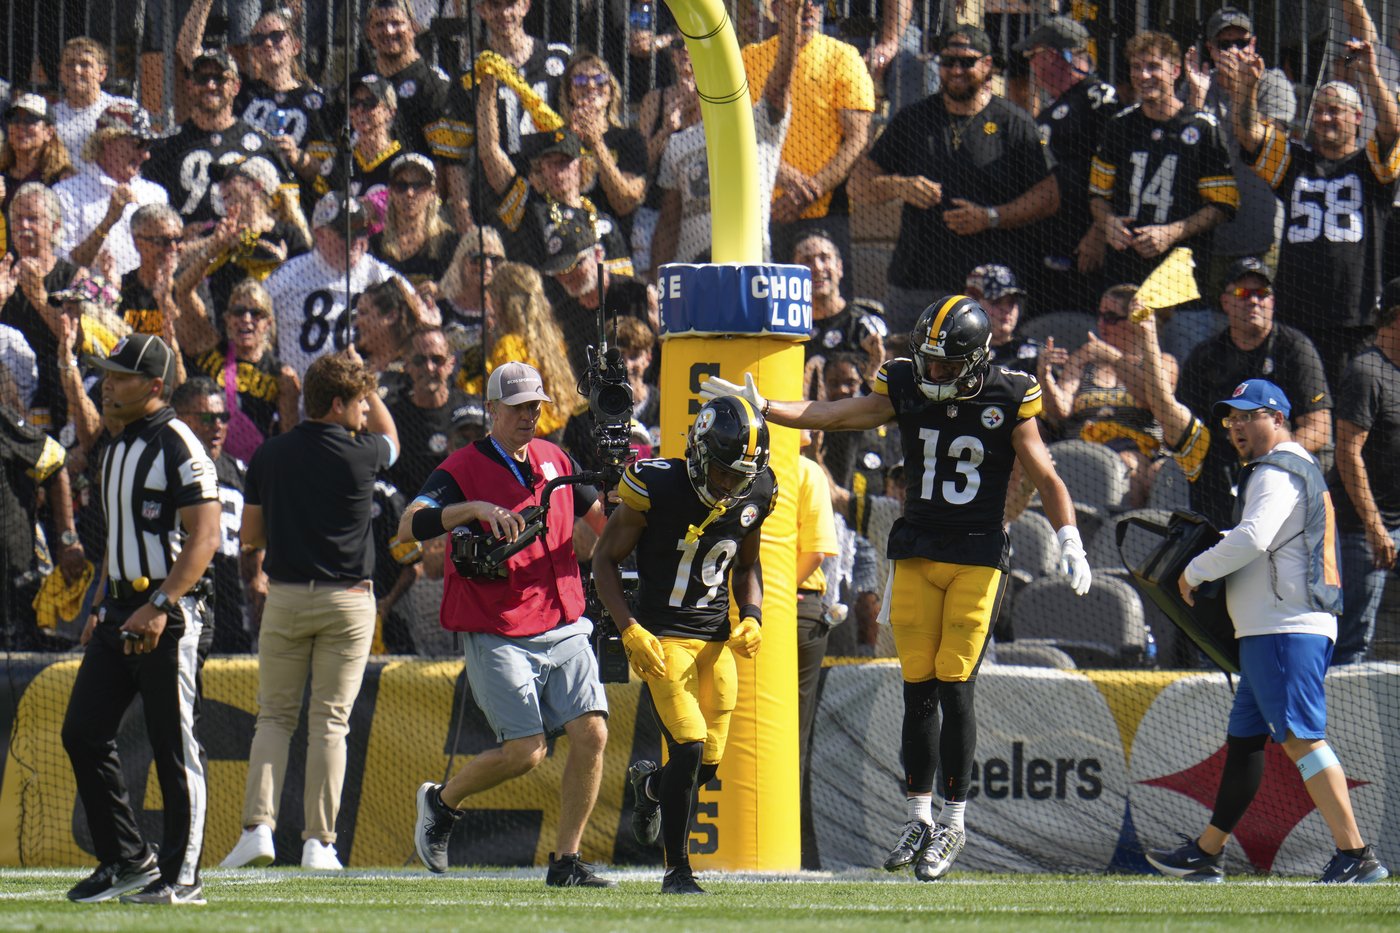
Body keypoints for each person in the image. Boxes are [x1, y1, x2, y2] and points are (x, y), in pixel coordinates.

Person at [700, 294, 1091, 882]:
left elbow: (1043, 470)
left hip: (978, 554)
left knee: (956, 684)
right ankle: (919, 815)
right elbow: (837, 415)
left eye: (944, 363)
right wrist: (768, 407)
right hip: (915, 548)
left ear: (975, 358)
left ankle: (955, 823)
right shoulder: (905, 379)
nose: (931, 372)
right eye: (927, 360)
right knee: (918, 690)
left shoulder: (1008, 392)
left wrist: (1070, 537)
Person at [1148, 378, 1389, 886]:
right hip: (1277, 627)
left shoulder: (1276, 468)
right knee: (1245, 744)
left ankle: (1356, 854)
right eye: (1230, 418)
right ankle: (1206, 851)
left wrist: (1195, 571)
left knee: (1301, 738)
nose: (1236, 426)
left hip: (1284, 628)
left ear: (1276, 418)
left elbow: (1254, 537)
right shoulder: (1286, 466)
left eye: (1247, 415)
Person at [402, 361, 613, 887]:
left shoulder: (555, 457)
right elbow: (409, 524)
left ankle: (566, 861)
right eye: (517, 406)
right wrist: (470, 509)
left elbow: (603, 521)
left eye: (534, 406)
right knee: (527, 751)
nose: (527, 415)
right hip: (496, 624)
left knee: (592, 732)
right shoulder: (460, 468)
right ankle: (442, 803)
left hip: (563, 618)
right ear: (492, 409)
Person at [221, 349, 400, 871]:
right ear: (339, 403)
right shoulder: (363, 453)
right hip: (348, 602)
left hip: (287, 597)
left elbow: (250, 536)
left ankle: (258, 829)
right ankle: (319, 844)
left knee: (273, 717)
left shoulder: (270, 454)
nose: (366, 411)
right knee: (330, 722)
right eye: (360, 402)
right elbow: (392, 440)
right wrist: (371, 384)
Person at [592, 395, 777, 894]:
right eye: (722, 474)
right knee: (690, 745)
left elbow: (748, 564)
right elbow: (603, 559)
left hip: (714, 637)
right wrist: (629, 626)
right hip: (662, 635)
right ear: (697, 452)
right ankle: (678, 870)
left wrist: (754, 615)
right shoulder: (659, 483)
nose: (729, 487)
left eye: (739, 477)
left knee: (707, 765)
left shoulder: (756, 489)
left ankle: (651, 787)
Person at [61, 333, 221, 906]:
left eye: (121, 376)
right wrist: (101, 604)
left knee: (173, 745)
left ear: (155, 386)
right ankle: (127, 860)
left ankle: (183, 877)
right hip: (119, 612)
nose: (108, 385)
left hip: (169, 612)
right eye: (105, 374)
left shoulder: (180, 443)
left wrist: (162, 604)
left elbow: (205, 538)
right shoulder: (116, 444)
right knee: (82, 732)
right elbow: (117, 543)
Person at [849, 26, 1059, 334]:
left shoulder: (1015, 124)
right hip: (915, 284)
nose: (956, 70)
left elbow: (1049, 196)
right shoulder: (913, 119)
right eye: (947, 62)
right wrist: (899, 186)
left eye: (966, 62)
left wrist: (991, 217)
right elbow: (857, 184)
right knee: (906, 374)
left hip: (988, 293)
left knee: (980, 379)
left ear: (988, 65)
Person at [1229, 42, 1398, 385]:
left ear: (1357, 118)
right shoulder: (1294, 162)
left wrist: (1369, 72)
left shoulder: (1373, 167)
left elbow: (1393, 128)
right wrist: (1246, 87)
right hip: (1295, 317)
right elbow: (1248, 135)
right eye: (1319, 110)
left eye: (1334, 110)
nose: (1324, 118)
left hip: (1354, 320)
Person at [1176, 258, 1332, 528]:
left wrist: (1270, 462)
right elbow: (1185, 424)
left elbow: (1320, 428)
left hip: (1284, 474)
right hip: (1220, 475)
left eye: (1262, 294)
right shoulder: (1206, 356)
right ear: (1225, 302)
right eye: (1243, 294)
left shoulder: (1295, 349)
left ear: (1272, 301)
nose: (1254, 301)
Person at [650, 0, 800, 269]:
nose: (687, 57)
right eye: (679, 49)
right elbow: (669, 221)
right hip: (694, 273)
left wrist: (790, 21)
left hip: (750, 270)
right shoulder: (677, 142)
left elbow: (778, 90)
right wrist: (655, 276)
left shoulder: (753, 123)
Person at [1089, 31, 1238, 299]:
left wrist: (1171, 232)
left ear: (1175, 70)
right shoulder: (1118, 126)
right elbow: (1098, 195)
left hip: (1180, 277)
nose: (1143, 76)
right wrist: (1107, 222)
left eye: (1153, 67)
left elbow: (1222, 206)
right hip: (1123, 272)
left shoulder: (1202, 128)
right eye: (1136, 67)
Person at [741, 0, 874, 268]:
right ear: (775, 9)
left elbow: (858, 138)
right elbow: (735, 132)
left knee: (827, 302)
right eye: (797, 2)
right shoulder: (749, 59)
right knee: (767, 304)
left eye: (816, 2)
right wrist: (776, 170)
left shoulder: (843, 56)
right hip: (761, 210)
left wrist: (809, 192)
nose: (808, 8)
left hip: (825, 210)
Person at [1181, 7, 1296, 298]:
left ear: (1253, 44)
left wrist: (1240, 91)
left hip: (1259, 232)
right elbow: (1183, 153)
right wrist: (1195, 101)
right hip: (1208, 232)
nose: (1234, 51)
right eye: (1224, 44)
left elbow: (1261, 144)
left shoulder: (1272, 82)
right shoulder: (1196, 84)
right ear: (1210, 48)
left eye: (1241, 43)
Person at [1039, 284, 1178, 509]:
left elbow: (1151, 399)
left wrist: (1114, 358)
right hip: (1080, 449)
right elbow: (1060, 409)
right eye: (1101, 316)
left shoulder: (1163, 363)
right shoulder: (1084, 358)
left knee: (1125, 466)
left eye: (1112, 318)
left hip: (1135, 452)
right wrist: (1044, 376)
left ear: (1134, 321)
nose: (1102, 325)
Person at [1013, 16, 1118, 312]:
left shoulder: (1099, 100)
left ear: (1053, 56)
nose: (1031, 66)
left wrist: (1099, 231)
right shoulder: (1052, 108)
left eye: (1033, 56)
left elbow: (1118, 167)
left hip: (1085, 244)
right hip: (1048, 241)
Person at [177, 1, 329, 184]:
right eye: (258, 39)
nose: (267, 43)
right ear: (252, 50)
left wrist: (297, 157)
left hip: (293, 200)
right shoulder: (240, 91)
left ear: (296, 46)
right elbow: (187, 51)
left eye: (277, 36)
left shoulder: (317, 101)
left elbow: (328, 173)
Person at [144, 50, 297, 228]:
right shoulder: (166, 146)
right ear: (190, 85)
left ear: (236, 87)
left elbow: (287, 210)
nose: (210, 85)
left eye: (220, 78)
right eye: (202, 78)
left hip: (250, 250)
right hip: (190, 250)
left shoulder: (264, 145)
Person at [1331, 278, 1400, 665]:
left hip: (1396, 522)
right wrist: (1376, 529)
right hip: (1360, 532)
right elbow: (1347, 454)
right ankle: (1331, 725)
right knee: (1351, 643)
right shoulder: (1366, 372)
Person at [263, 193, 403, 380]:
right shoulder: (288, 276)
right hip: (303, 397)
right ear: (319, 233)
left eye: (360, 232)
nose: (354, 241)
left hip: (365, 396)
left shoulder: (380, 275)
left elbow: (416, 318)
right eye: (344, 233)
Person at [172, 376, 255, 653]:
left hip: (231, 601)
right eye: (207, 418)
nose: (218, 426)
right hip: (182, 599)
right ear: (181, 420)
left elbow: (255, 547)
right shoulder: (166, 471)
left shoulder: (241, 474)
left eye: (223, 417)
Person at [181, 277, 301, 455]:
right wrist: (215, 250)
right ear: (228, 319)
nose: (246, 318)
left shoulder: (282, 376)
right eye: (238, 311)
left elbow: (289, 440)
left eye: (256, 313)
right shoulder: (210, 349)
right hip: (204, 455)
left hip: (253, 467)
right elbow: (184, 290)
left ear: (268, 323)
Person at [54, 102, 167, 280]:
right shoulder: (67, 193)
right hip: (90, 302)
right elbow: (65, 266)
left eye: (148, 145)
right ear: (107, 140)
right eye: (138, 144)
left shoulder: (155, 194)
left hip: (143, 302)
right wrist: (108, 221)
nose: (146, 155)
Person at [1, 183, 78, 435]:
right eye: (18, 219)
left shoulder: (74, 277)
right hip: (11, 385)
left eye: (32, 219)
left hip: (61, 382)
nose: (23, 227)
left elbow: (78, 342)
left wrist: (38, 297)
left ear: (54, 226)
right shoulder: (3, 273)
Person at [561, 53, 648, 240]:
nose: (591, 86)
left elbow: (625, 201)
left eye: (600, 79)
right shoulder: (558, 138)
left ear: (610, 91)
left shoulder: (629, 139)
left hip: (613, 244)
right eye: (580, 80)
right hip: (568, 242)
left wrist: (596, 142)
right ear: (569, 93)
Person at [798, 229, 887, 389]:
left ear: (839, 267)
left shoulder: (864, 324)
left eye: (825, 258)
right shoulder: (787, 327)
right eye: (807, 260)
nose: (817, 267)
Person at [387, 326, 469, 495]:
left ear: (450, 364)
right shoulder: (392, 418)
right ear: (407, 365)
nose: (429, 367)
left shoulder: (469, 410)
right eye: (419, 360)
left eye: (437, 359)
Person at [369, 154, 459, 293]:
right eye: (401, 186)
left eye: (418, 186)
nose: (409, 193)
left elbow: (460, 289)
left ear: (432, 192)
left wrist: (439, 289)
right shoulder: (376, 245)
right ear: (391, 192)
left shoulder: (448, 242)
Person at [52, 37, 134, 167]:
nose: (76, 70)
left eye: (85, 64)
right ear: (61, 72)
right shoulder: (51, 115)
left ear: (102, 73)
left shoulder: (123, 109)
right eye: (69, 64)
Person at [1, 94, 78, 217]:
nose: (20, 126)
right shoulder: (2, 176)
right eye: (14, 118)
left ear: (48, 132)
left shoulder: (61, 179)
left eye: (30, 120)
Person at [965, 263, 1039, 374]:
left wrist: (1045, 375)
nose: (1006, 309)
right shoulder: (960, 354)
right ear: (972, 302)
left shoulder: (1035, 354)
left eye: (1011, 302)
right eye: (996, 302)